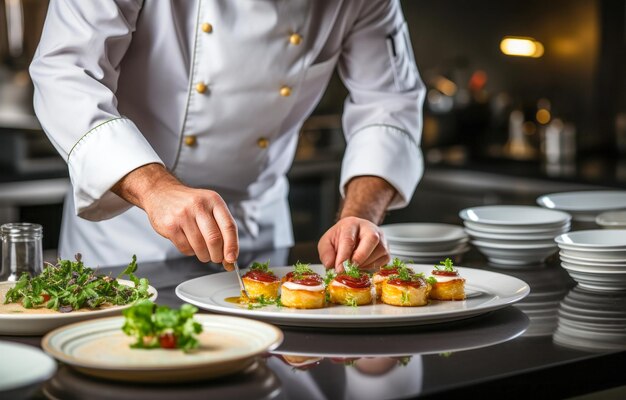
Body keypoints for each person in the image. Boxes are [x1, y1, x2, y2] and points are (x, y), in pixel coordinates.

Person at [29, 0, 425, 270]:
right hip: (126, 231)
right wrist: (154, 188)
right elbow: (66, 73)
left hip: (258, 229)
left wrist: (358, 218)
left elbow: (389, 102)